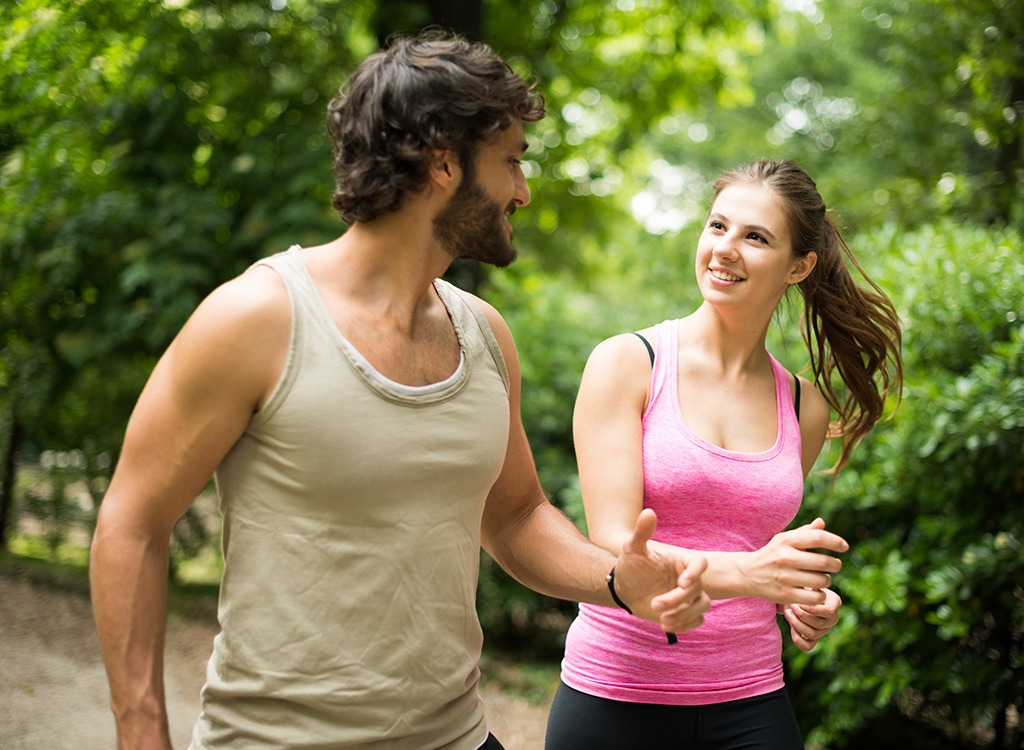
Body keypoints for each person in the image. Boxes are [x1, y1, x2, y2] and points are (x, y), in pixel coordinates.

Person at [89, 29, 711, 750]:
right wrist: (140, 735)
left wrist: (617, 580)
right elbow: (131, 525)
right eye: (510, 162)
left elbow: (513, 517)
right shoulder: (257, 318)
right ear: (444, 163)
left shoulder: (483, 333)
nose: (523, 191)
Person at [544, 159, 904, 749]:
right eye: (717, 226)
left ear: (799, 266)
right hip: (616, 693)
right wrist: (756, 576)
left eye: (755, 236)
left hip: (750, 699)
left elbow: (752, 547)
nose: (725, 249)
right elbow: (613, 541)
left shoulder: (802, 406)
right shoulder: (629, 364)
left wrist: (799, 598)